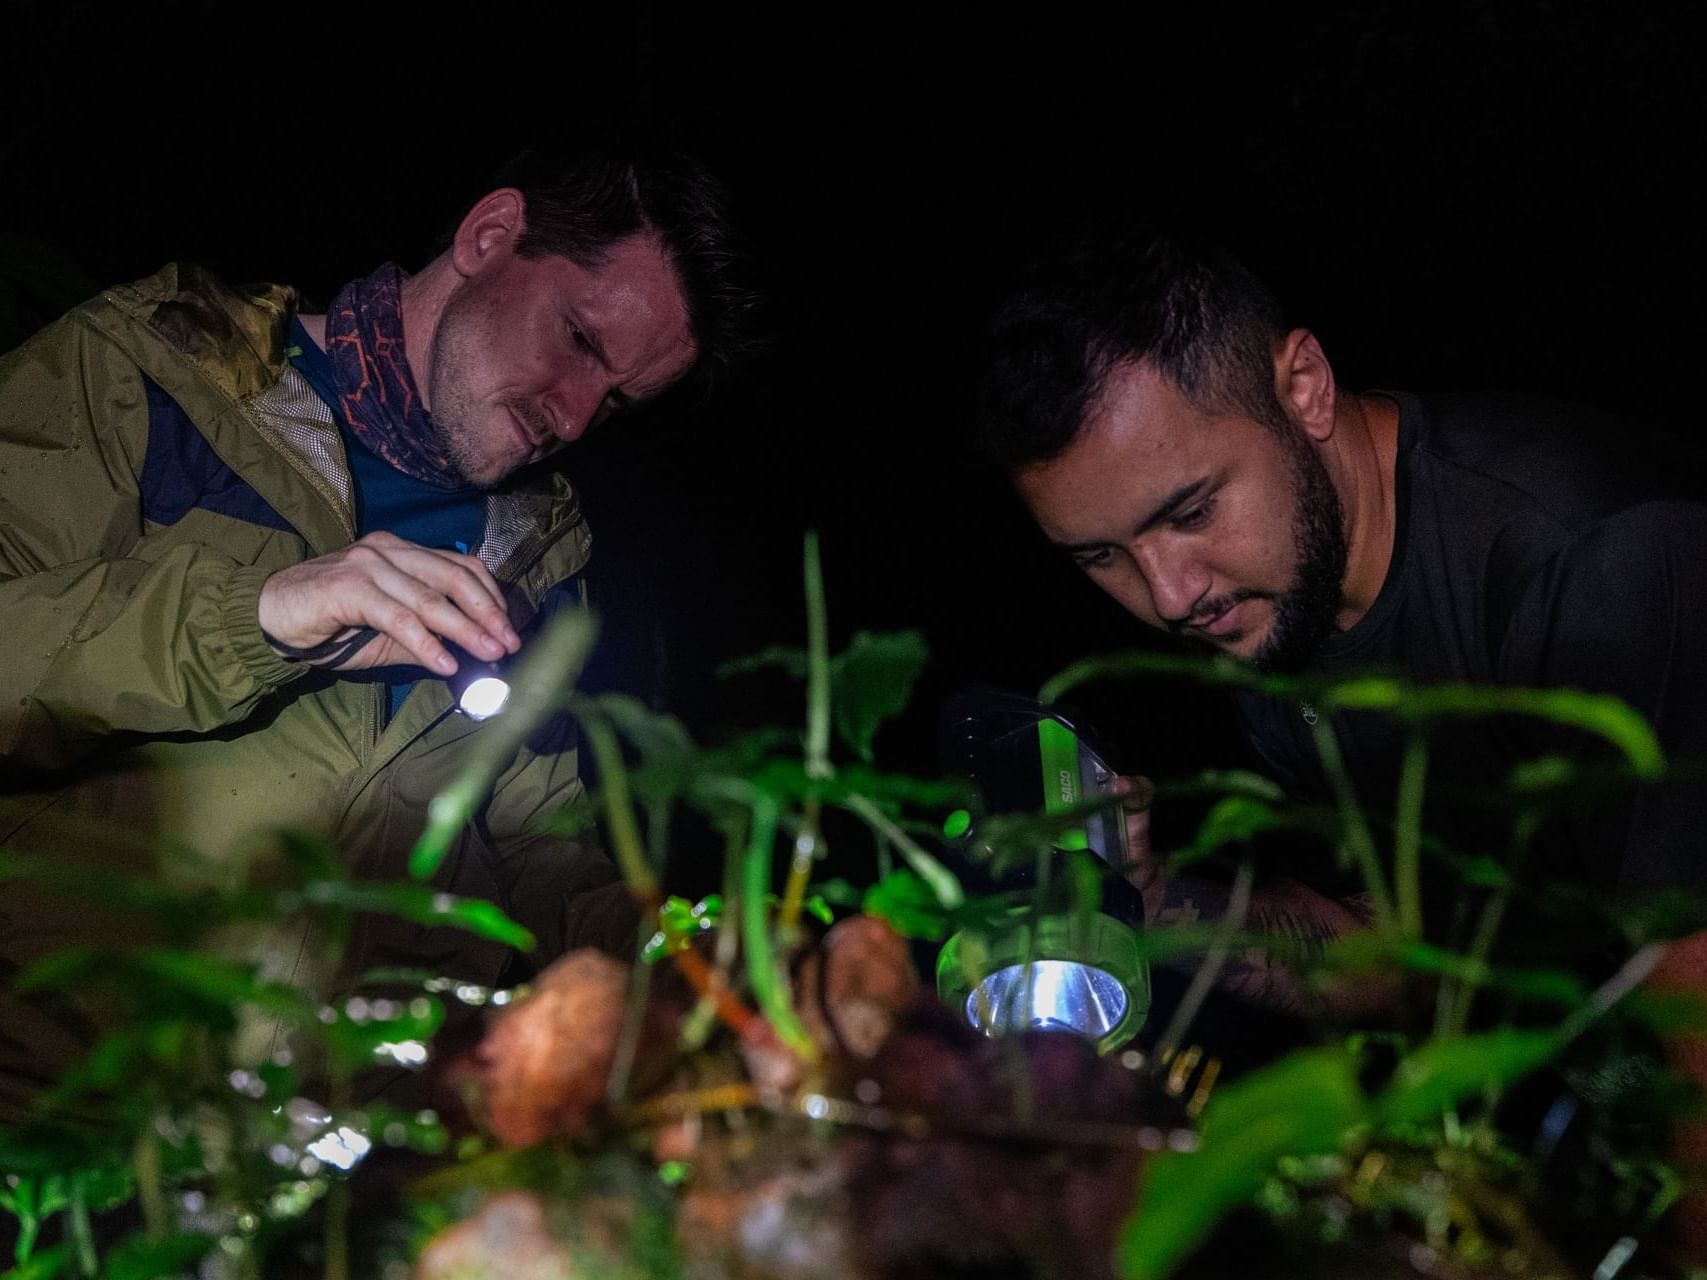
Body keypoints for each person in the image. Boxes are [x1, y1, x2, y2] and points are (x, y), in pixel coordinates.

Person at [978, 223, 1707, 1247]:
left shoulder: (1596, 563)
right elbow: (1403, 955)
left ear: (1306, 387)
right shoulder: (1277, 607)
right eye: (1104, 553)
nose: (1169, 593)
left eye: (1189, 509)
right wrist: (1154, 900)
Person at [0, 136, 751, 1115]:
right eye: (578, 339)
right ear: (490, 235)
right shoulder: (151, 372)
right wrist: (265, 612)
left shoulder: (542, 565)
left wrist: (688, 961)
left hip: (346, 1162)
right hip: (59, 1110)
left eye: (612, 400)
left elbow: (542, 854)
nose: (573, 417)